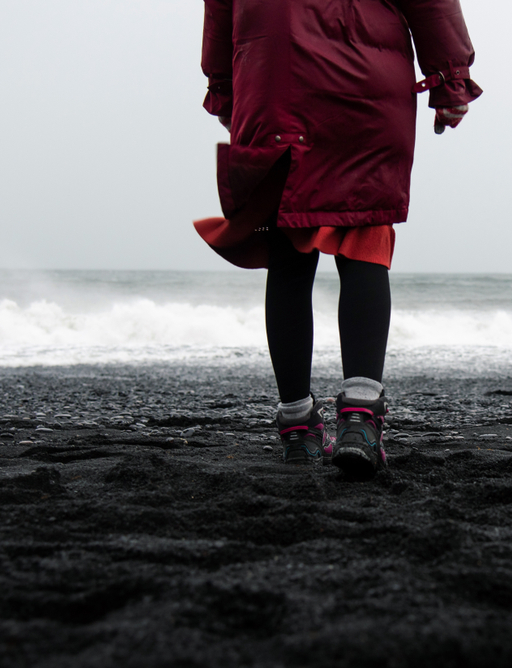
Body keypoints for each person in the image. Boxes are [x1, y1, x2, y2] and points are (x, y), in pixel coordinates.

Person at [193, 0, 481, 479]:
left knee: (287, 251)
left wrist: (224, 88)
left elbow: (220, 9)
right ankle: (360, 419)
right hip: (364, 87)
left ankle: (296, 428)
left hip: (274, 80)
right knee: (365, 237)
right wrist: (450, 78)